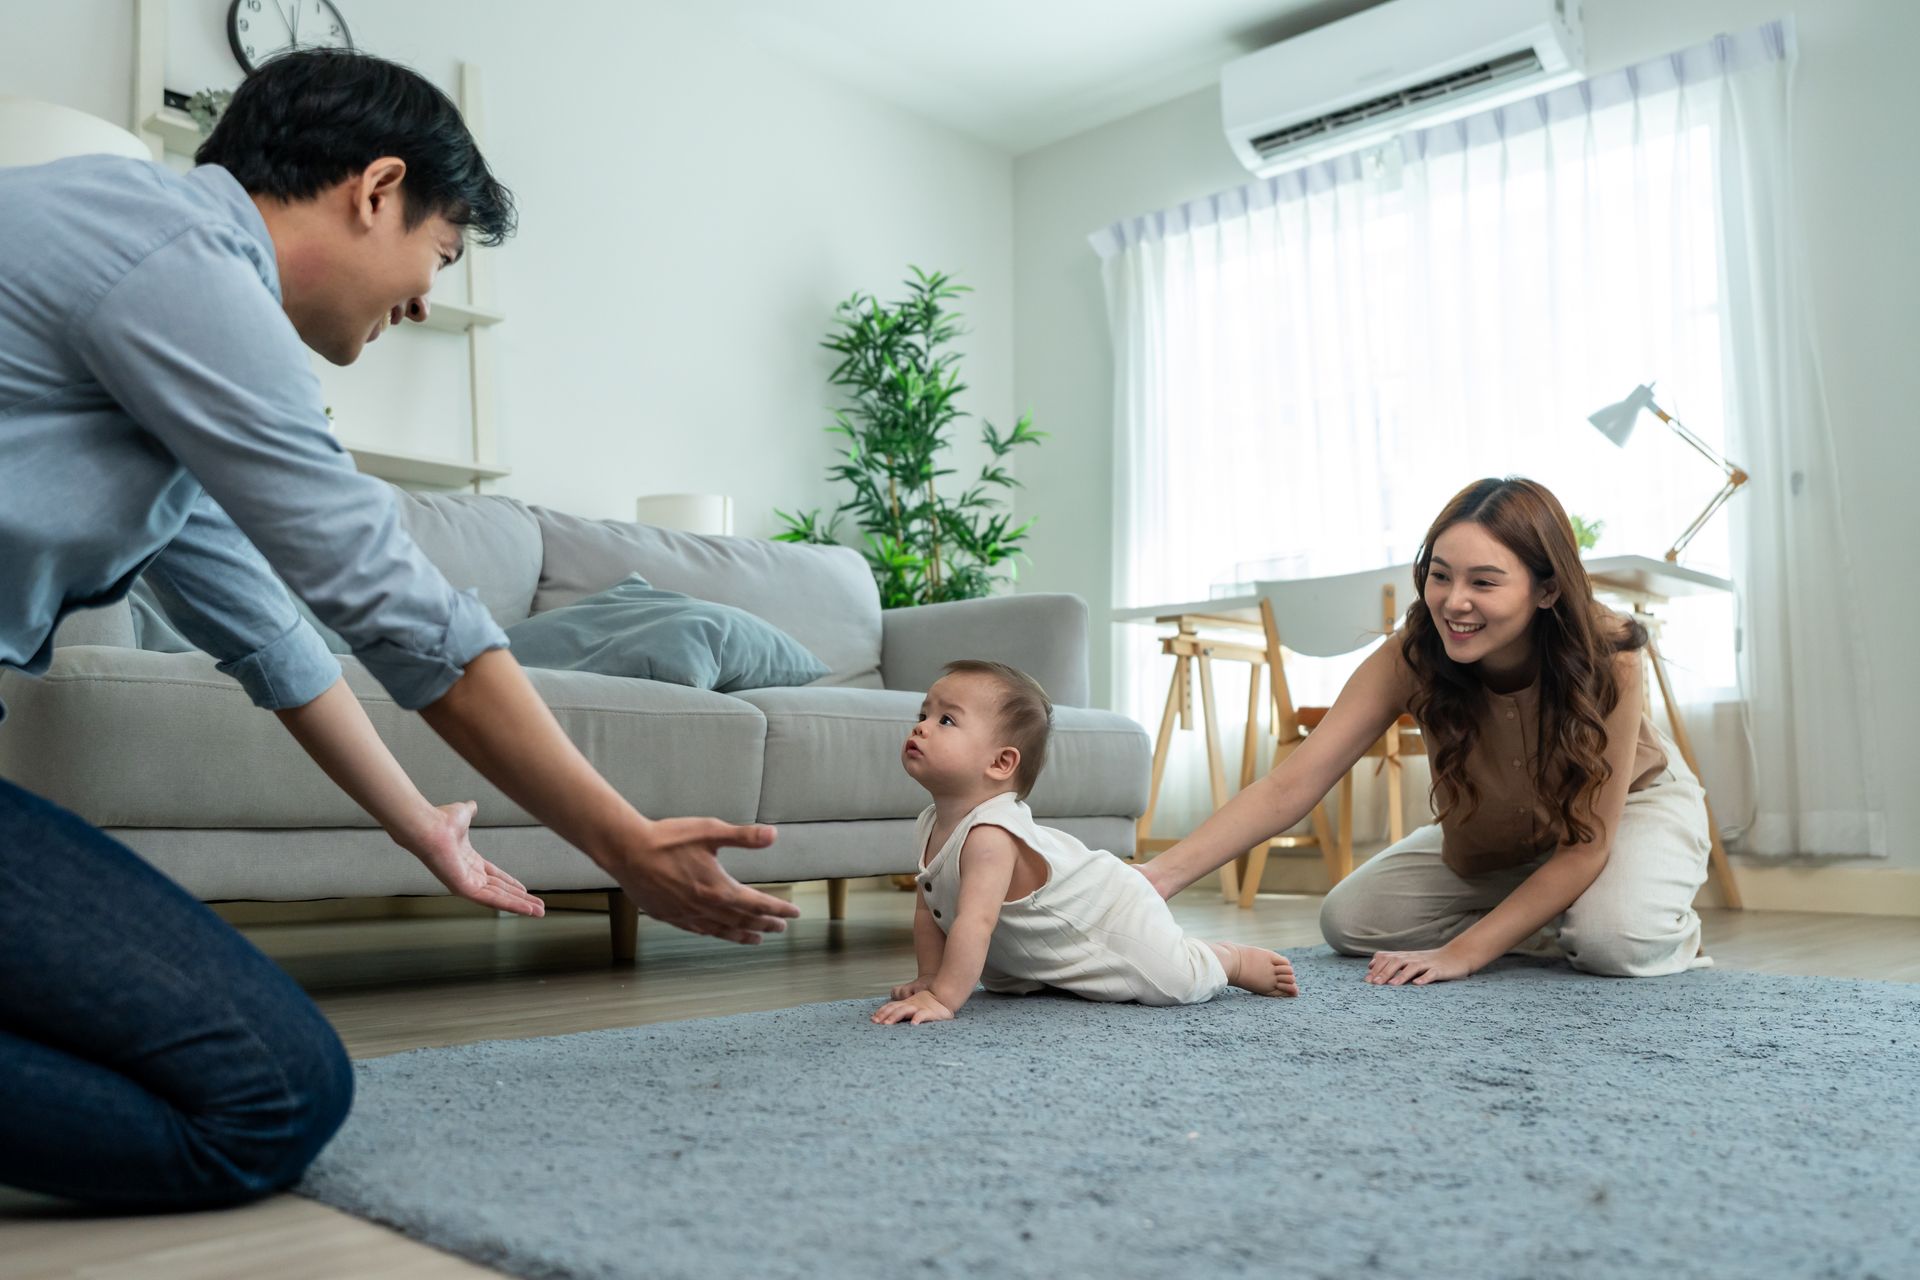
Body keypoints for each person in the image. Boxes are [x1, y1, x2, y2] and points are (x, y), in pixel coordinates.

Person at [0, 49, 796, 1209]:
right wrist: (621, 842)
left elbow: (275, 636)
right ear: (377, 189)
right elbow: (399, 606)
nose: (426, 296)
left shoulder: (152, 321)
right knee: (266, 1097)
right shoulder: (175, 260)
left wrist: (423, 824)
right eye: (442, 252)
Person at [1139, 477, 1713, 986]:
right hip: (1498, 833)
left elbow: (1587, 845)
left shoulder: (1609, 651)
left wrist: (1464, 954)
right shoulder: (1410, 655)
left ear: (1547, 590)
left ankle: (1642, 922)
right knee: (1351, 921)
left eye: (1484, 583)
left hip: (1623, 813)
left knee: (1614, 943)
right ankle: (1556, 916)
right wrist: (1159, 877)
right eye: (1440, 576)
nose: (1453, 602)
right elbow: (1291, 786)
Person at [872, 660, 1297, 1026]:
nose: (922, 726)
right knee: (1007, 982)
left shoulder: (990, 835)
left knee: (1170, 983)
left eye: (946, 720)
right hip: (1038, 942)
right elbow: (930, 908)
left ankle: (1224, 958)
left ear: (1001, 762)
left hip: (1107, 914)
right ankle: (1045, 974)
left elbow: (974, 923)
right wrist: (930, 975)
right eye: (924, 713)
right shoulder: (931, 821)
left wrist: (943, 997)